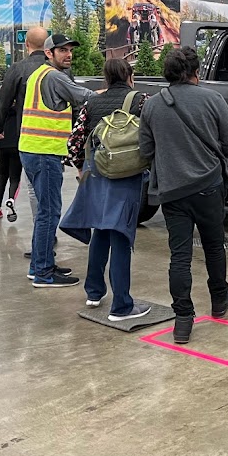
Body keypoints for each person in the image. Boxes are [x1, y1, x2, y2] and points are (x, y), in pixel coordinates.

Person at [139, 46, 228, 344]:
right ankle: (219, 299)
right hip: (209, 185)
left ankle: (183, 319)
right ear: (196, 71)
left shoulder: (152, 105)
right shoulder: (213, 99)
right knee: (214, 246)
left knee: (179, 256)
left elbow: (146, 150)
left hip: (172, 191)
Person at [60, 59, 151, 321]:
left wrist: (81, 167)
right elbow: (152, 137)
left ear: (106, 78)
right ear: (130, 76)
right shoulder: (141, 101)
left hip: (97, 173)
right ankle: (121, 306)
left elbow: (74, 142)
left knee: (101, 230)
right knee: (121, 235)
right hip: (127, 176)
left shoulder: (91, 103)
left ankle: (94, 292)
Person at [18, 34, 96, 287]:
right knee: (49, 213)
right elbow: (86, 96)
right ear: (48, 53)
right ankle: (43, 273)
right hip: (44, 153)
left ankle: (39, 265)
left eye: (70, 50)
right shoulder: (54, 77)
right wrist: (113, 93)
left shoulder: (38, 74)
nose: (68, 54)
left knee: (45, 211)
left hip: (32, 150)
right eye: (62, 50)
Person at [0, 27, 50, 229]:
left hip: (28, 136)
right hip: (55, 139)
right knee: (51, 187)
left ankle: (41, 231)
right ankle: (49, 229)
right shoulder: (57, 69)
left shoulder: (18, 69)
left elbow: (2, 102)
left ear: (27, 44)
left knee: (33, 188)